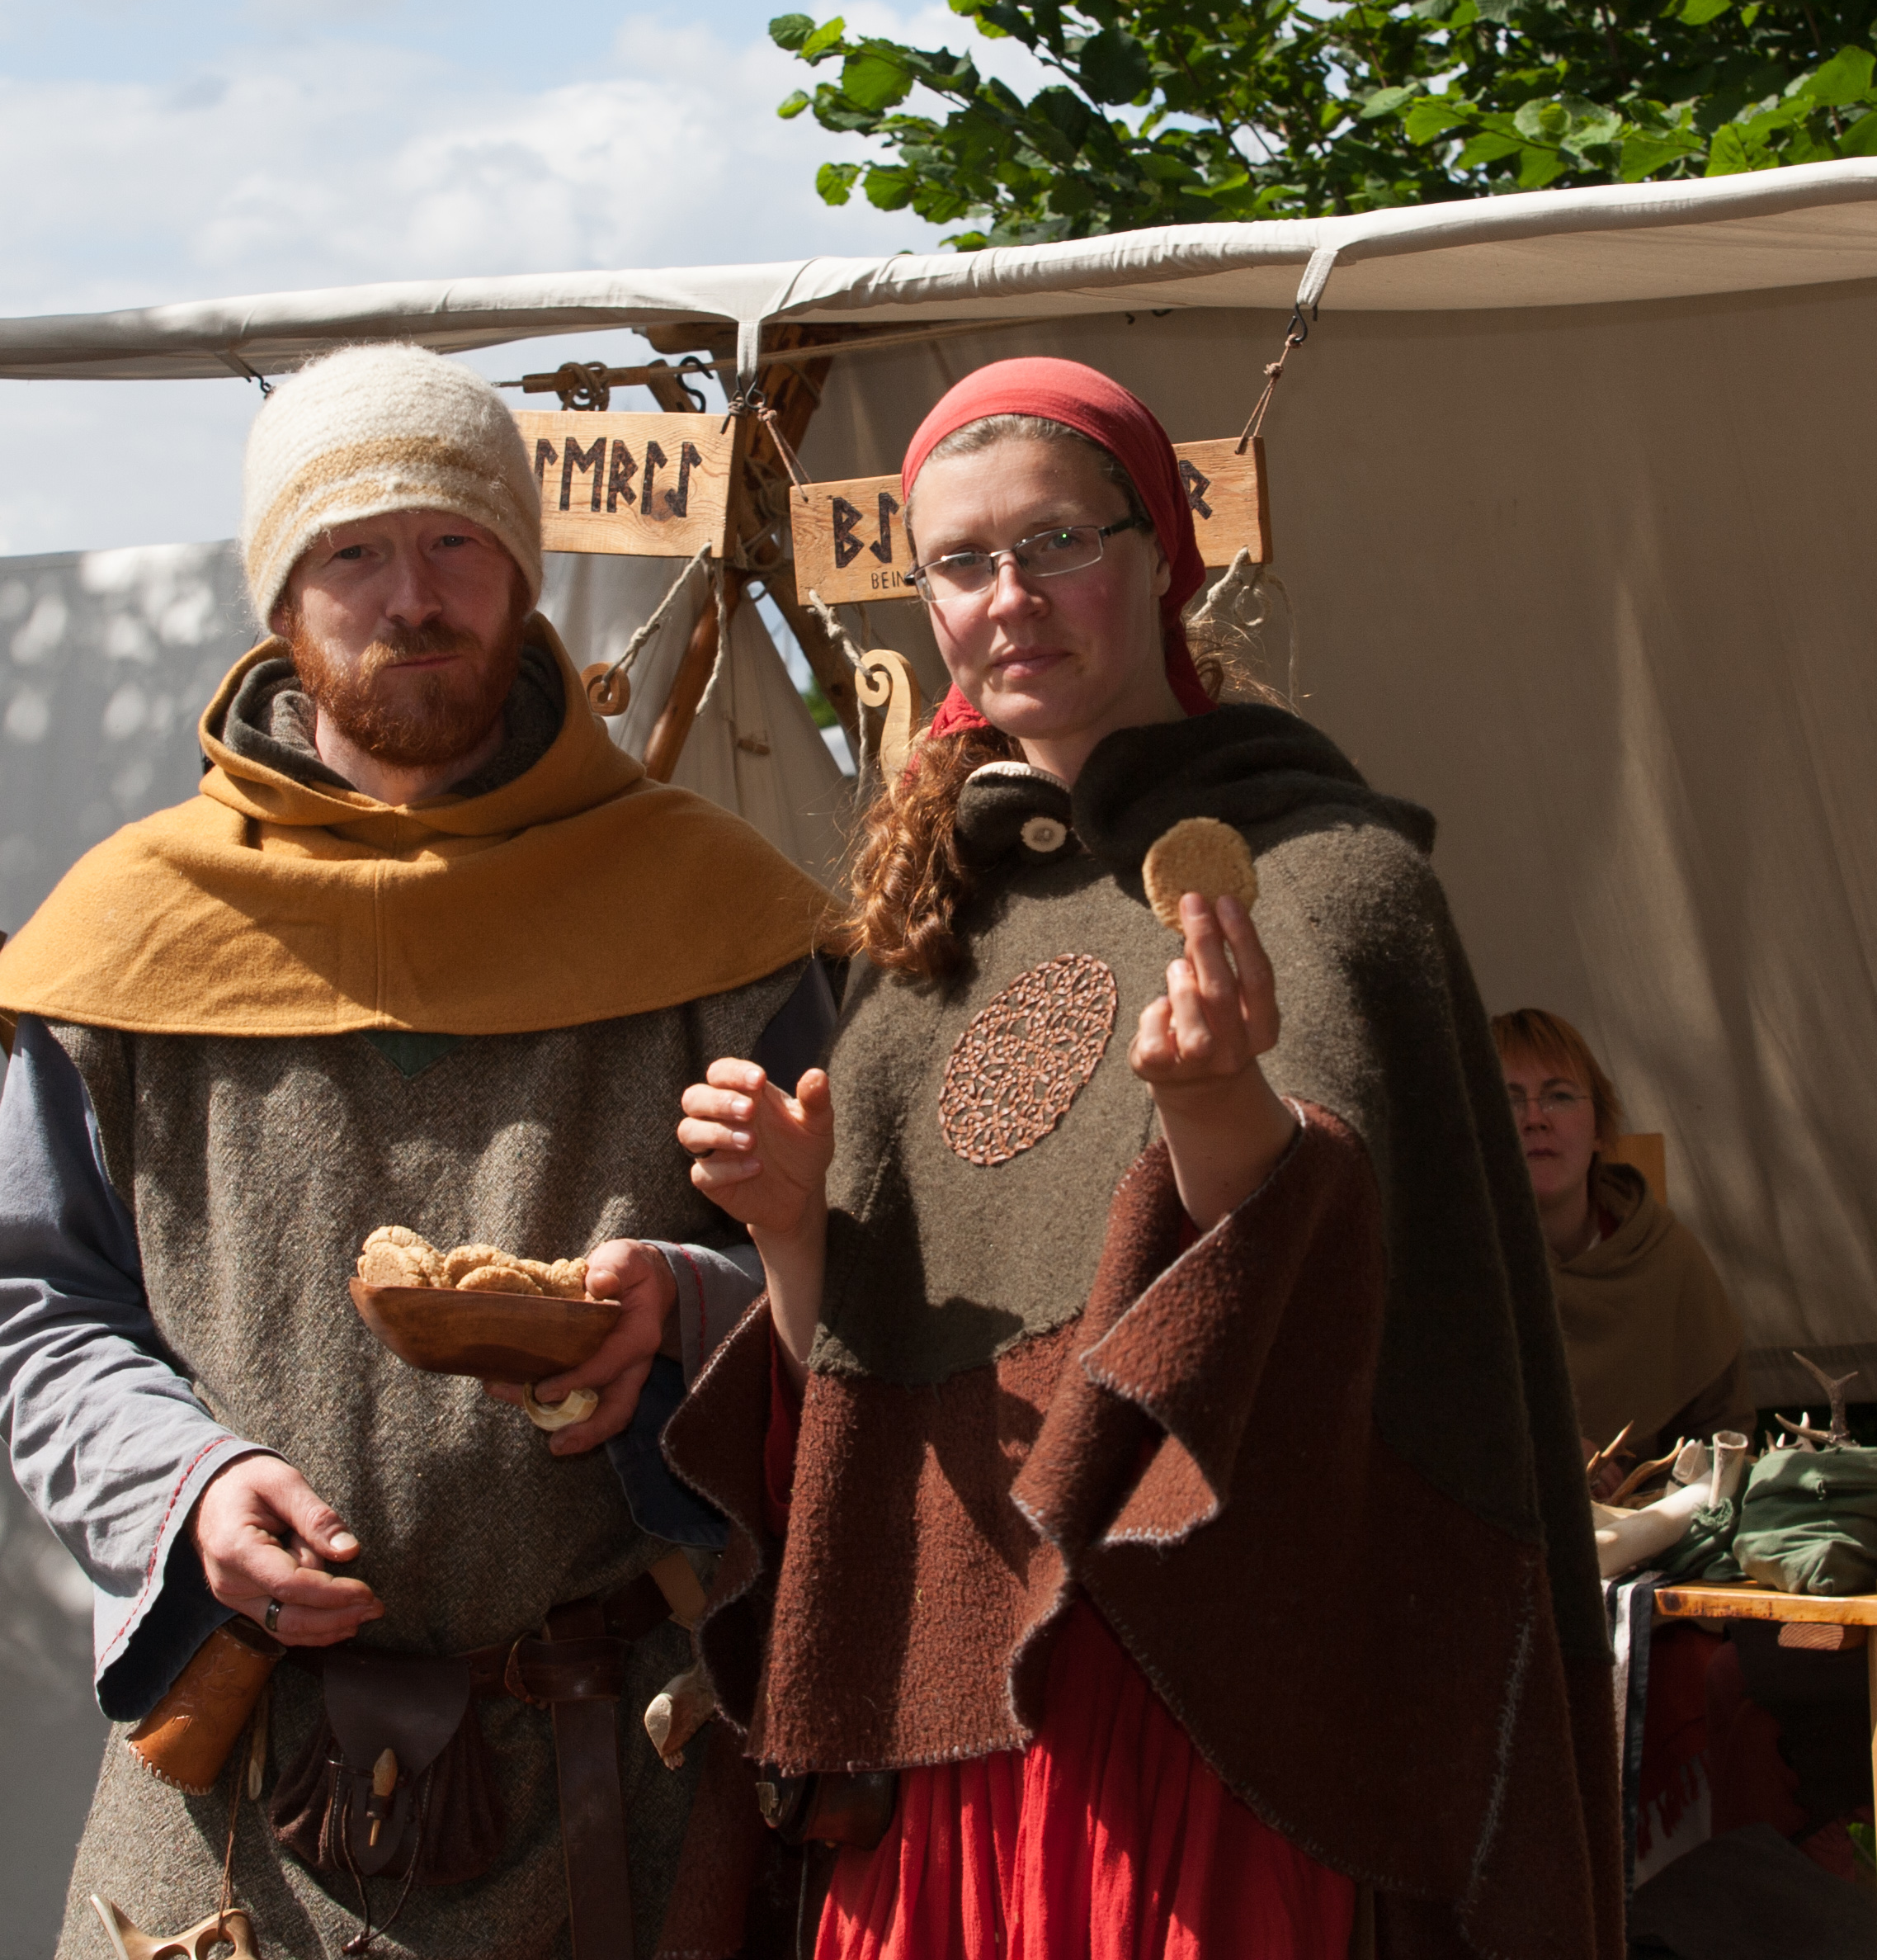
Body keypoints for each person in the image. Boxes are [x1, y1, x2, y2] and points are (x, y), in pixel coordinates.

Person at [658, 357, 1621, 1960]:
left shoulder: (1332, 882)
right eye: (961, 561)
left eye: (1057, 542)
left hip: (1204, 1735)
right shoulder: (925, 933)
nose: (1010, 596)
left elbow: (1341, 1329)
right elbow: (862, 1390)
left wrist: (1214, 1110)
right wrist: (787, 1227)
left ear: (1159, 551)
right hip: (953, 1738)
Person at [0, 344, 833, 1960]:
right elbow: (42, 1306)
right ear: (282, 596)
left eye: (454, 543)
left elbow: (861, 1273)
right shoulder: (134, 927)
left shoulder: (711, 908)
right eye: (352, 549)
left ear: (522, 573)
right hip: (236, 1792)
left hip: (623, 1772)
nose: (410, 596)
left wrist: (688, 1310)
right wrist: (184, 1486)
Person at [1491, 1007, 1749, 1489]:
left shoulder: (1665, 1257)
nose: (1534, 1119)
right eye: (1507, 1100)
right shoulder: (1444, 1270)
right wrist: (1533, 1449)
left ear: (1600, 1130)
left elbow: (1725, 1440)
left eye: (1559, 1096)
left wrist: (1655, 1505)